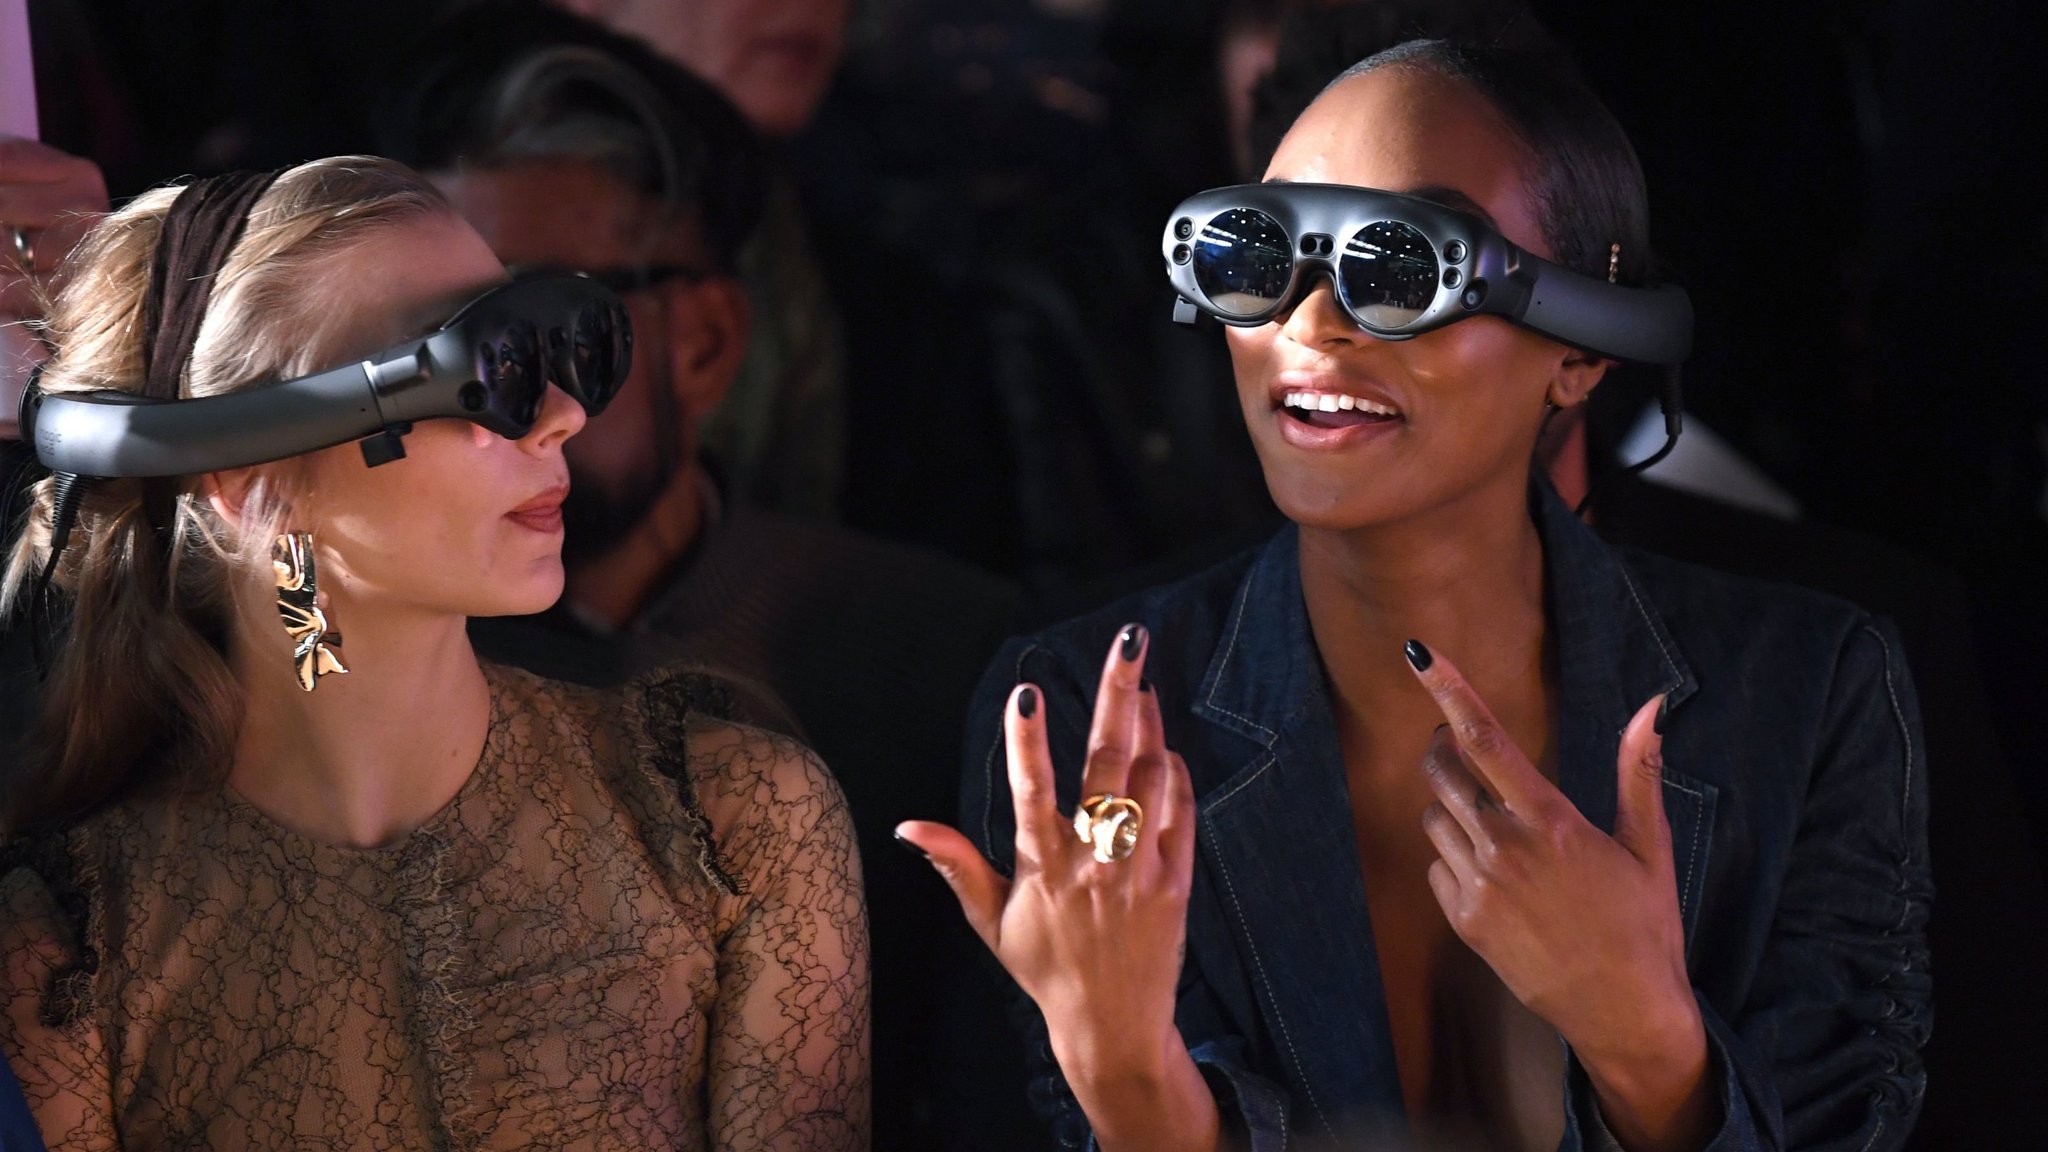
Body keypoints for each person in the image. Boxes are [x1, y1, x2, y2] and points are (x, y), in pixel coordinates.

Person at [899, 39, 1931, 1152]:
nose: (1308, 326)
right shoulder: (1073, 711)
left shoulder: (1810, 693)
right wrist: (1131, 1088)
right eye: (1255, 252)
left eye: (1400, 268)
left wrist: (1645, 1040)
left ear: (1581, 352)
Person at [0, 156, 868, 1148]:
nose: (563, 415)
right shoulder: (67, 952)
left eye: (555, 348)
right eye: (485, 370)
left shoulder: (730, 823)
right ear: (252, 485)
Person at [371, 8, 1021, 1147]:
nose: (481, 386)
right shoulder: (344, 662)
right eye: (433, 331)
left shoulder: (932, 657)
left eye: (544, 319)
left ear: (707, 343)